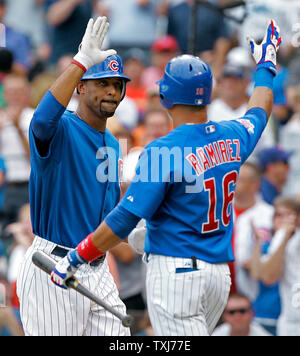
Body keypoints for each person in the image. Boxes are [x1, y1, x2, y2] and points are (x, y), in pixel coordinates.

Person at [50, 20, 282, 336]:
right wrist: (266, 65)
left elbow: (124, 218)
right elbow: (260, 110)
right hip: (218, 277)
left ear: (165, 95)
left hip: (178, 272)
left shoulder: (164, 149)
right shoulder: (233, 133)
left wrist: (77, 257)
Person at [16, 16, 131, 336]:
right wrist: (80, 61)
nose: (111, 90)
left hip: (97, 266)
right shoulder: (61, 126)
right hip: (53, 263)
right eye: (103, 82)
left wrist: (131, 232)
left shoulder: (112, 142)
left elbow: (107, 210)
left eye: (117, 84)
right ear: (81, 87)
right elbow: (40, 120)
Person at [233, 162, 281, 335]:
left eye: (240, 179)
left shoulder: (270, 216)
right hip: (217, 296)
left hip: (255, 302)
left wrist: (257, 262)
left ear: (255, 184)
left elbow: (279, 257)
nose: (233, 182)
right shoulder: (218, 212)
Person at [251, 197, 300, 336]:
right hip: (292, 321)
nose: (284, 219)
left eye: (288, 214)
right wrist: (285, 238)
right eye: (278, 215)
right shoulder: (281, 237)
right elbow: (266, 277)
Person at [0, 74, 33, 225]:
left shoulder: (34, 117)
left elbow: (35, 157)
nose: (15, 96)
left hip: (30, 185)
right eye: (11, 92)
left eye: (18, 91)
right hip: (7, 187)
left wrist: (18, 128)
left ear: (27, 93)